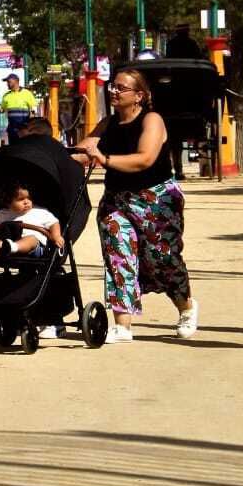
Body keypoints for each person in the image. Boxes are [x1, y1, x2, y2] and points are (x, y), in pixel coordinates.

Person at [71, 66, 197, 344]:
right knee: (118, 256)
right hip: (117, 200)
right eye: (112, 86)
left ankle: (186, 307)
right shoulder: (108, 123)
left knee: (162, 260)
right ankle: (122, 325)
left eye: (121, 88)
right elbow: (83, 152)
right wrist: (53, 154)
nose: (114, 91)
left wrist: (104, 159)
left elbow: (144, 159)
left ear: (139, 95)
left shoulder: (152, 120)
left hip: (155, 199)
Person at [0, 183, 63, 259]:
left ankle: (14, 247)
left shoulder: (40, 212)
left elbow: (54, 223)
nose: (26, 202)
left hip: (35, 247)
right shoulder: (3, 213)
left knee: (31, 239)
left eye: (29, 198)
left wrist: (56, 236)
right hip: (6, 246)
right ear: (8, 202)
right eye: (21, 199)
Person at [0, 74, 39, 141]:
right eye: (7, 82)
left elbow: (34, 109)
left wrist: (32, 127)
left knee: (24, 146)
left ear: (16, 81)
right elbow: (2, 109)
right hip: (12, 130)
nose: (7, 84)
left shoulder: (27, 93)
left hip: (24, 130)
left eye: (9, 82)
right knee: (13, 147)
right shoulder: (6, 96)